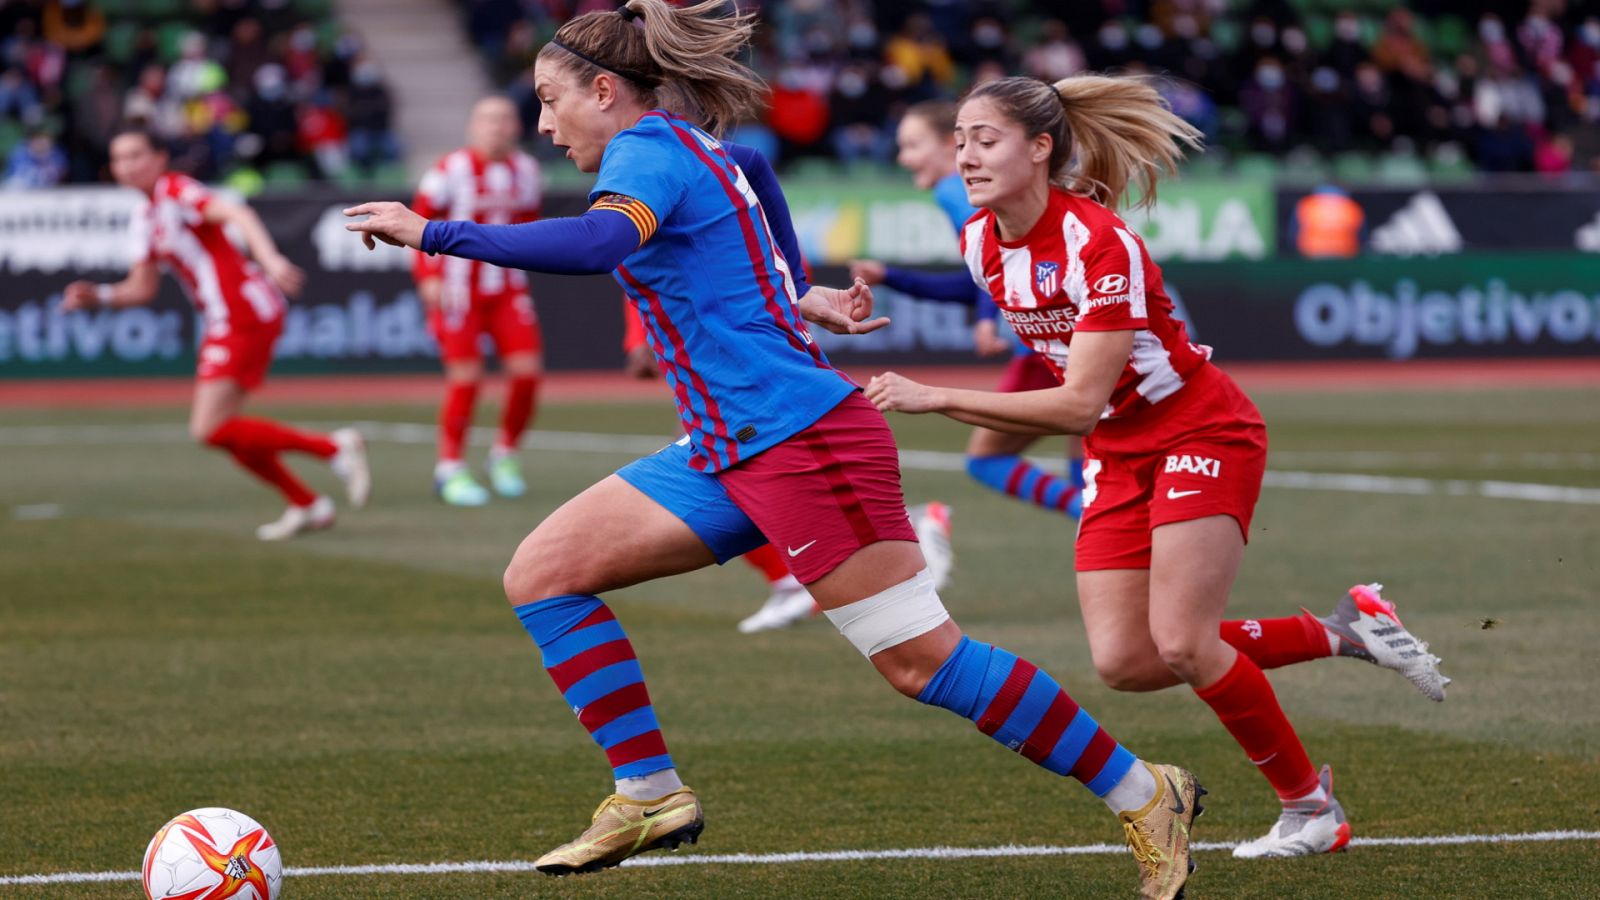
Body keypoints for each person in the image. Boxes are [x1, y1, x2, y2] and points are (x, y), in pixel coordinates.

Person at [345, 4, 1201, 897]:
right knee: (543, 574)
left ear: (603, 91)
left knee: (922, 661)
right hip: (730, 444)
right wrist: (794, 287)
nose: (543, 123)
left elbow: (602, 243)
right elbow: (751, 170)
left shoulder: (643, 152)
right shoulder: (687, 144)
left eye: (550, 100)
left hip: (802, 440)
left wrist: (432, 231)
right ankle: (648, 794)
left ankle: (1145, 793)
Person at [866, 73, 1450, 860]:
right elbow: (1079, 396)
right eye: (960, 139)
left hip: (1199, 429)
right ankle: (1341, 632)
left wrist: (936, 396)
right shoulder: (977, 241)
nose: (965, 155)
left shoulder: (1098, 242)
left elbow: (1077, 404)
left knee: (1182, 640)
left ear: (1039, 148)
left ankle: (1311, 809)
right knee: (1128, 663)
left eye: (985, 140)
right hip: (1117, 451)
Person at [58, 129, 369, 540]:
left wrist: (270, 259)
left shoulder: (175, 190)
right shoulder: (145, 218)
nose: (127, 165)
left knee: (208, 428)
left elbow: (238, 214)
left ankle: (332, 448)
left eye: (136, 155)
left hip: (243, 310)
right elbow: (142, 288)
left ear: (160, 158)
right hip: (226, 317)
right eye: (119, 158)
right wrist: (97, 295)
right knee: (223, 430)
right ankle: (307, 503)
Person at [852, 101, 1085, 521]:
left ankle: (1097, 520)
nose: (903, 157)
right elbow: (978, 280)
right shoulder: (970, 193)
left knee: (986, 460)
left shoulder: (953, 189)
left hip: (1045, 341)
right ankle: (1104, 523)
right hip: (1072, 333)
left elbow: (995, 260)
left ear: (951, 144)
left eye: (913, 145)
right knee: (1092, 450)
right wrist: (891, 277)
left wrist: (984, 321)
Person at [411, 95, 544, 505]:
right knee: (466, 377)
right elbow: (417, 223)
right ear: (473, 127)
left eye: (504, 119)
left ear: (516, 127)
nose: (496, 127)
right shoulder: (449, 170)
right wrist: (428, 276)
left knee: (527, 372)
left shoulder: (527, 171)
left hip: (506, 287)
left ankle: (504, 455)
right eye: (488, 119)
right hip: (457, 289)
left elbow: (529, 227)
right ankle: (449, 468)